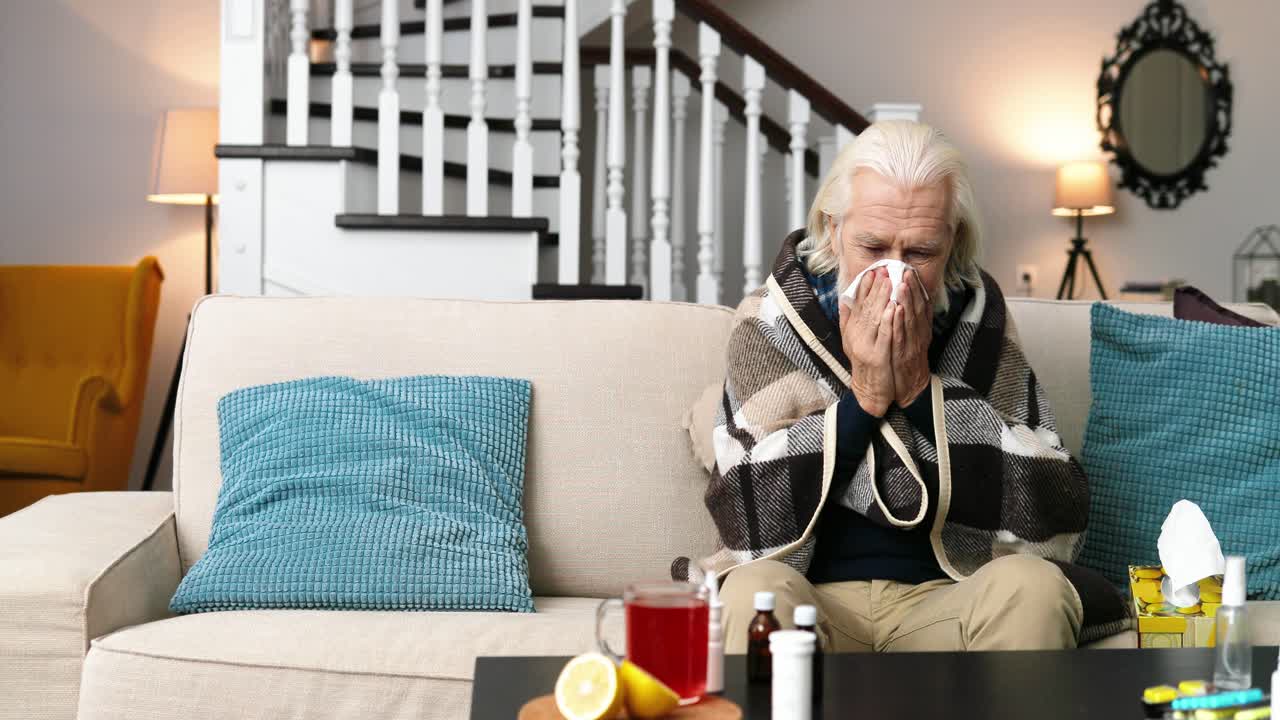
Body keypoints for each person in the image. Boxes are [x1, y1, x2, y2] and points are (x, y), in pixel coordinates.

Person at [673, 120, 1126, 652]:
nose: (894, 274)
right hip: (812, 599)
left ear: (951, 241)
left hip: (947, 596)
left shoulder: (979, 320)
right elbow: (746, 509)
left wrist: (918, 389)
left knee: (1035, 588)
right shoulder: (769, 321)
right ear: (833, 227)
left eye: (919, 254)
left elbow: (1052, 502)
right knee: (752, 594)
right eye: (872, 246)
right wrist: (863, 400)